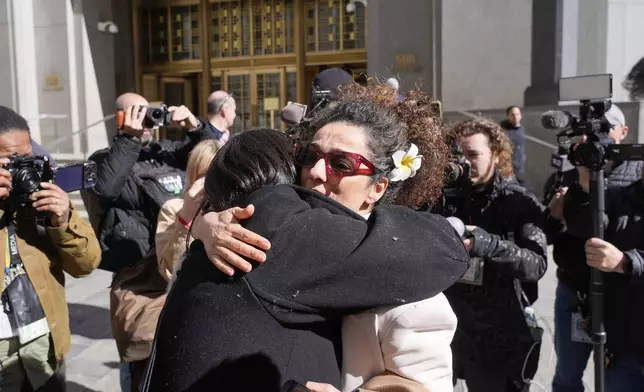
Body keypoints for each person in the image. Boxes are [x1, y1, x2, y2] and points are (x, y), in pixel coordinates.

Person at [145, 93, 469, 391]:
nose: (315, 171)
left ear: (378, 188)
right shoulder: (266, 229)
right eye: (308, 155)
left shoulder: (413, 285)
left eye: (342, 164)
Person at [84, 93, 211, 392]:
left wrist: (195, 127)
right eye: (138, 113)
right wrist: (129, 137)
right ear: (120, 117)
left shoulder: (165, 152)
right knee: (141, 360)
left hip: (178, 268)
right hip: (139, 280)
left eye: (150, 112)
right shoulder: (104, 159)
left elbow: (210, 154)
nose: (146, 120)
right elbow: (105, 189)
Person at [434, 118, 548, 392]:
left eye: (474, 154)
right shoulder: (444, 199)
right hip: (451, 329)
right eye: (458, 155)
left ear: (496, 155)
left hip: (500, 335)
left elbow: (536, 264)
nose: (465, 163)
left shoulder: (517, 200)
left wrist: (488, 245)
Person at [0, 106, 101, 391]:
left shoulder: (41, 193)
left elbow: (87, 264)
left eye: (28, 158)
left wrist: (64, 220)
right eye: (11, 162)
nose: (23, 170)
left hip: (45, 341)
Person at [543, 103, 642, 392]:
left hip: (623, 298)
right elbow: (549, 232)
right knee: (568, 376)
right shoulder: (569, 171)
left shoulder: (637, 175)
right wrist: (555, 213)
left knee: (615, 377)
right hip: (575, 291)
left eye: (605, 127)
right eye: (588, 130)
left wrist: (624, 262)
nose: (594, 138)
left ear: (624, 132)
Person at [561, 163, 644, 391]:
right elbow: (582, 227)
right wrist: (586, 184)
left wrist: (625, 263)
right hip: (623, 347)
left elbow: (623, 262)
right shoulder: (620, 197)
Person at [155, 139, 220, 285]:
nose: (212, 182)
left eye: (217, 174)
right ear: (194, 176)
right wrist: (186, 219)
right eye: (205, 175)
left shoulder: (232, 207)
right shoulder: (173, 208)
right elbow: (169, 270)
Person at [499, 106, 526, 186]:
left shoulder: (521, 128)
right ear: (508, 116)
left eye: (517, 114)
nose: (515, 117)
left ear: (521, 116)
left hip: (519, 164)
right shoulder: (503, 129)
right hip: (508, 165)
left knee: (521, 185)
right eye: (512, 115)